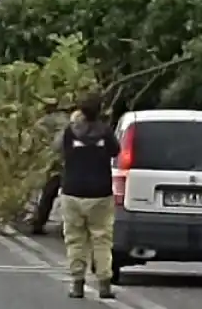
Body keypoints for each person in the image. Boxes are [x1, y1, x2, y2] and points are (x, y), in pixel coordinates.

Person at [59, 93, 118, 300]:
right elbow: (115, 151)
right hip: (100, 192)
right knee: (101, 238)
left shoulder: (70, 131)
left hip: (73, 190)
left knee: (75, 240)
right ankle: (104, 283)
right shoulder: (105, 131)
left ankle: (77, 284)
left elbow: (63, 152)